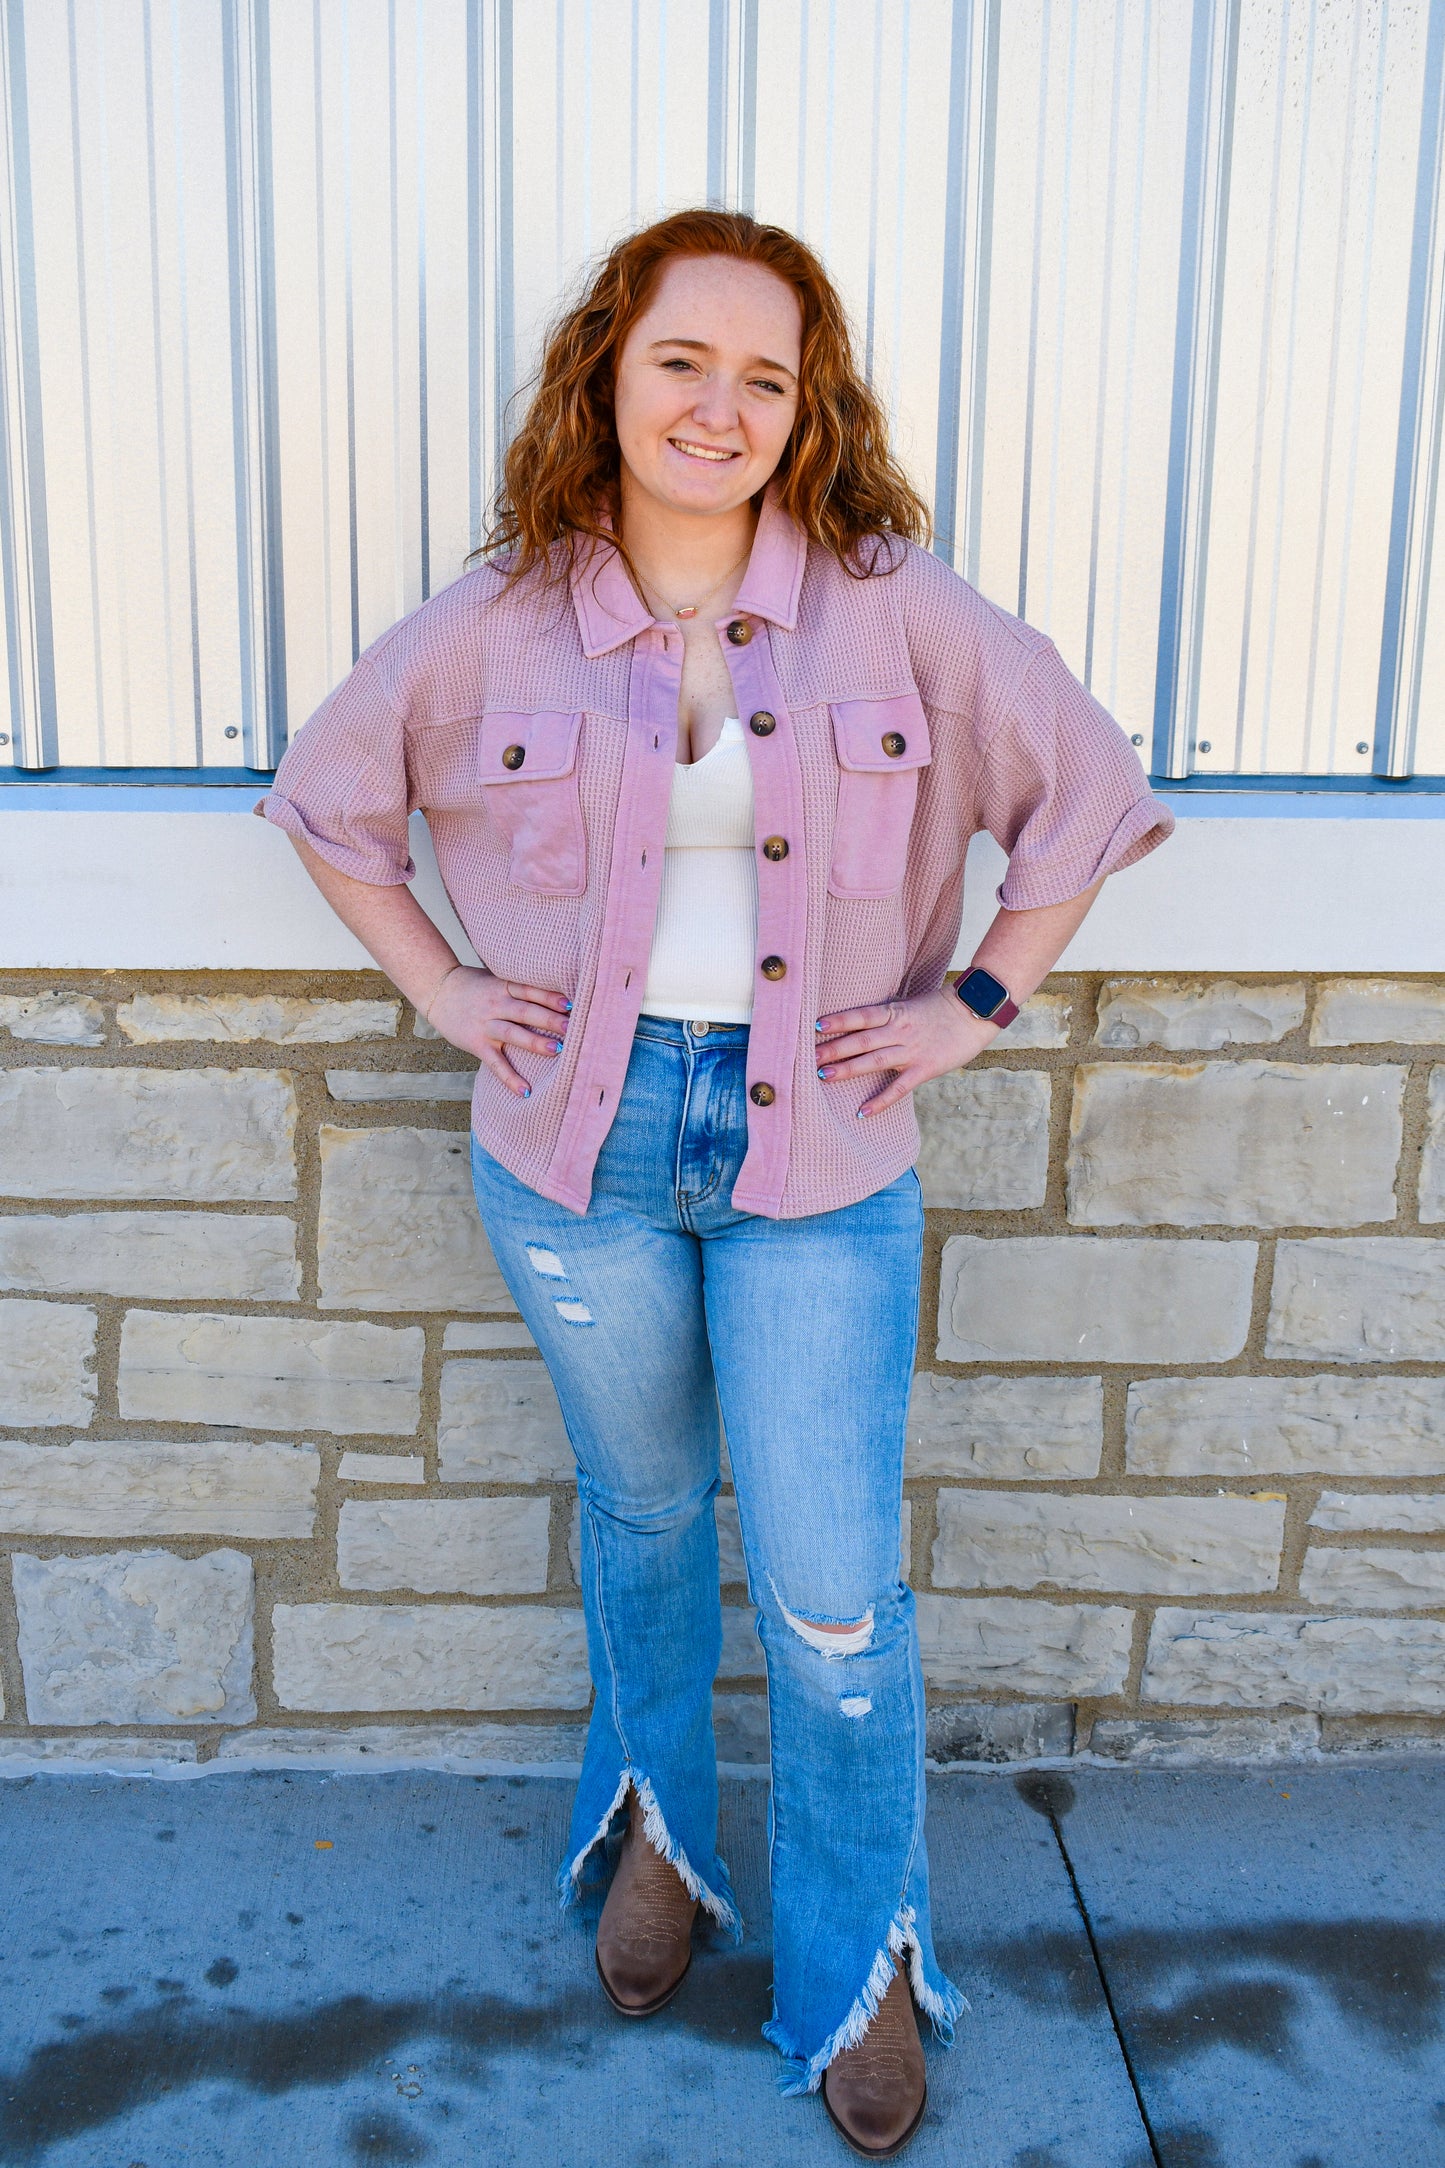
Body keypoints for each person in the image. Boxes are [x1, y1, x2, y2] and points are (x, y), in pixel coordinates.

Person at [260, 207, 1172, 2159]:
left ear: (806, 408)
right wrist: (438, 983)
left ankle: (859, 1962)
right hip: (572, 1154)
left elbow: (1087, 791)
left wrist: (982, 998)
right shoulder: (500, 618)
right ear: (610, 366)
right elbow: (331, 803)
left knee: (837, 1596)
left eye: (767, 374)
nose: (720, 403)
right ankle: (660, 1821)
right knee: (649, 1507)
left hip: (820, 1160)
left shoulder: (894, 606)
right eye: (685, 359)